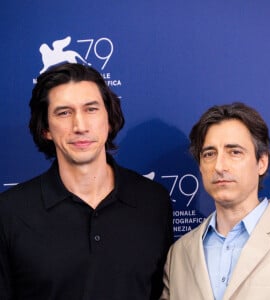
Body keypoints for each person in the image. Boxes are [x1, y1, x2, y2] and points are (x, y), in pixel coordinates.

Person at [0, 63, 173, 300]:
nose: (79, 126)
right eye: (64, 113)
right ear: (46, 129)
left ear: (109, 119)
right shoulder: (9, 212)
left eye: (91, 109)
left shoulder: (153, 201)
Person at [160, 102, 270, 300]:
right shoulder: (180, 254)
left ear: (262, 162)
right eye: (209, 154)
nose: (219, 166)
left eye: (234, 152)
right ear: (200, 166)